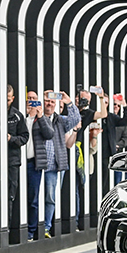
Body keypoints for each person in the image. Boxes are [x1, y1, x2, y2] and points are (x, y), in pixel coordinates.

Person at [39, 90, 80, 238]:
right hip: (36, 163)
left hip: (54, 166)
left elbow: (76, 119)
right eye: (46, 100)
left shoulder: (60, 120)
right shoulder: (36, 117)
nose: (49, 104)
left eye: (51, 102)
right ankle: (35, 226)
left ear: (56, 104)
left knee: (50, 197)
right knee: (35, 197)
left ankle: (46, 227)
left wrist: (68, 101)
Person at [65, 88, 108, 229]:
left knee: (79, 186)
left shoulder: (88, 113)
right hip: (65, 148)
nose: (81, 101)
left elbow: (103, 114)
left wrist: (101, 98)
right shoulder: (69, 109)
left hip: (79, 153)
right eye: (80, 98)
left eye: (85, 100)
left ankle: (77, 220)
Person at [25, 91, 53, 241]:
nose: (31, 102)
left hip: (34, 163)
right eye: (29, 99)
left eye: (34, 99)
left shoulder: (42, 119)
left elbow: (49, 134)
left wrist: (40, 116)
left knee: (33, 199)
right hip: (19, 163)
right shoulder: (20, 117)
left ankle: (31, 230)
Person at [6, 85, 29, 230]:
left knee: (10, 195)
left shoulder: (17, 116)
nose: (4, 102)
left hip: (12, 162)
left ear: (12, 99)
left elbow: (25, 137)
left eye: (7, 100)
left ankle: (6, 227)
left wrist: (11, 139)